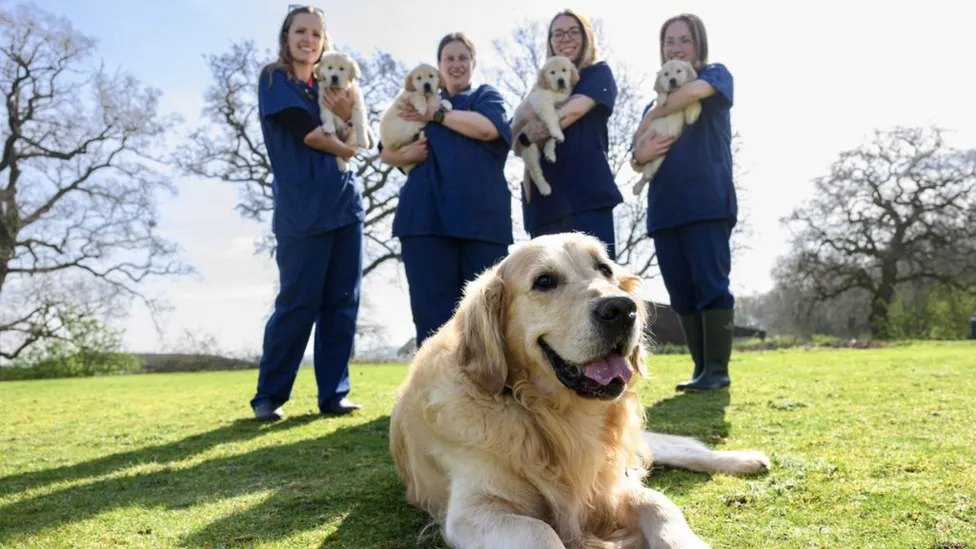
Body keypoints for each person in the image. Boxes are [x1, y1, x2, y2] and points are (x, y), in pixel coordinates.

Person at [249, 6, 367, 421]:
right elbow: (313, 134)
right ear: (287, 36)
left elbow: (354, 127)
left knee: (343, 301)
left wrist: (349, 132)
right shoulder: (274, 80)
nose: (308, 39)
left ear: (324, 42)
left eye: (316, 33)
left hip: (345, 206)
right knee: (298, 302)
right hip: (302, 209)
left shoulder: (331, 85)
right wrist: (347, 145)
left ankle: (334, 394)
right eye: (301, 31)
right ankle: (270, 396)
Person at [380, 32, 513, 349]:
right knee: (432, 318)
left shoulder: (485, 97)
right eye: (448, 58)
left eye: (462, 57)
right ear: (439, 66)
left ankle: (493, 392)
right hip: (424, 220)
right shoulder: (415, 101)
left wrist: (437, 114)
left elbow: (489, 128)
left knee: (489, 315)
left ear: (473, 62)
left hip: (481, 224)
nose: (456, 64)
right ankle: (437, 394)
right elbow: (386, 146)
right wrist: (400, 156)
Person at [631, 13, 736, 392]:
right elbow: (636, 153)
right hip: (665, 209)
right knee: (681, 292)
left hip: (707, 202)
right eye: (669, 42)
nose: (675, 47)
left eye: (683, 40)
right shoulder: (649, 106)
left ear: (698, 45)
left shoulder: (715, 76)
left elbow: (692, 94)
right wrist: (640, 154)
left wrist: (657, 112)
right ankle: (700, 370)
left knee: (711, 284)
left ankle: (718, 372)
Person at [513, 9, 622, 260]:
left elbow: (571, 112)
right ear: (550, 41)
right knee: (549, 291)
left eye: (574, 31)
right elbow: (513, 134)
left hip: (587, 196)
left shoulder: (597, 74)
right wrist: (521, 135)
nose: (566, 38)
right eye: (558, 33)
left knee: (599, 283)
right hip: (543, 204)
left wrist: (527, 135)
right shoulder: (539, 87)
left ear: (585, 37)